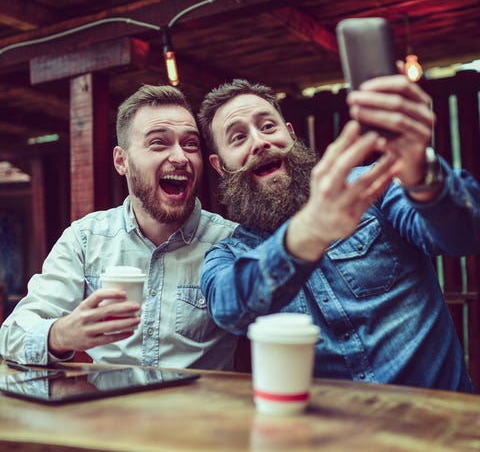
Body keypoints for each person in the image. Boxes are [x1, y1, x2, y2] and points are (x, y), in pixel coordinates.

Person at [197, 76, 480, 392]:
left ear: (290, 135)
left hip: (442, 427)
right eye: (237, 138)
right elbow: (228, 308)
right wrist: (309, 231)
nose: (259, 142)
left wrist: (421, 172)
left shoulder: (372, 187)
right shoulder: (227, 255)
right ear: (220, 166)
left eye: (267, 127)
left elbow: (463, 235)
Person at [0, 84, 238, 370]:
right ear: (121, 161)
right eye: (159, 143)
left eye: (190, 144)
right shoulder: (86, 239)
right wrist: (62, 334)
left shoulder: (230, 241)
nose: (180, 157)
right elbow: (11, 335)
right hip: (107, 410)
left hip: (203, 412)